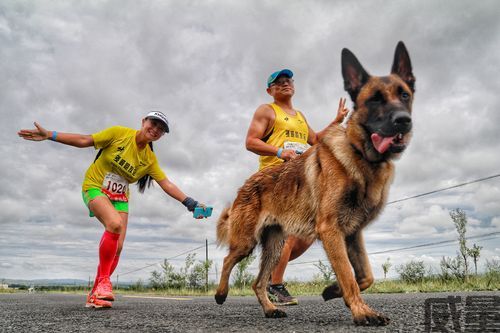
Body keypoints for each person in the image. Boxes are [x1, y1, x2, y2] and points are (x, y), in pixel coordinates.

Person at [18, 111, 206, 309]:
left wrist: (190, 203)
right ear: (143, 122)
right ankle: (104, 283)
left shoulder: (149, 159)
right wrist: (50, 135)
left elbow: (166, 183)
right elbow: (85, 140)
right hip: (95, 187)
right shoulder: (118, 134)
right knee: (114, 224)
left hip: (120, 199)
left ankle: (96, 294)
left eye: (161, 129)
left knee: (119, 246)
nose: (156, 130)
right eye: (153, 123)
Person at [245, 69, 348, 305]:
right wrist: (280, 151)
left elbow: (316, 140)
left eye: (288, 80)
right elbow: (250, 141)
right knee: (288, 233)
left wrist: (336, 121)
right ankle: (275, 285)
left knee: (308, 234)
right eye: (278, 82)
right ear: (269, 90)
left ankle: (270, 271)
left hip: (301, 180)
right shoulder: (267, 110)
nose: (284, 84)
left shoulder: (300, 116)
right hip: (275, 180)